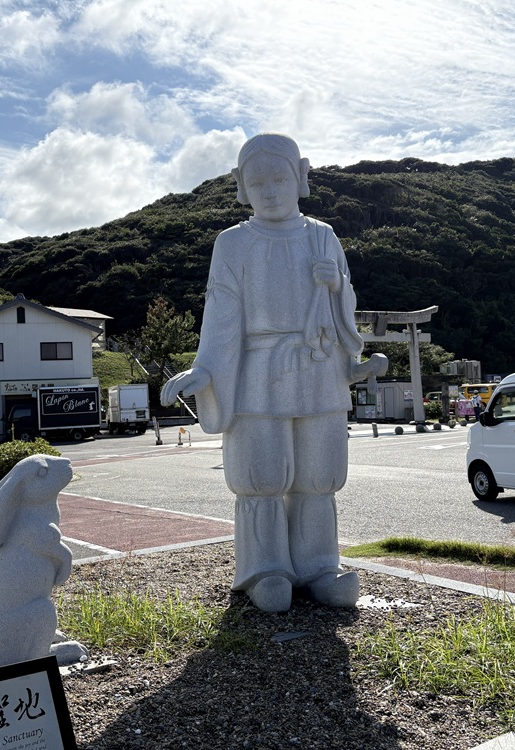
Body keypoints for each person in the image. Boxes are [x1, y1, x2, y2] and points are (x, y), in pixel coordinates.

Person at [160, 133, 387, 613]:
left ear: (300, 178)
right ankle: (265, 569)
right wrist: (205, 371)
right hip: (257, 368)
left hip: (319, 364)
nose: (269, 190)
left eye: (279, 178)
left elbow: (346, 305)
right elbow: (221, 315)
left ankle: (320, 565)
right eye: (257, 181)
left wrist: (336, 286)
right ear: (242, 187)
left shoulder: (322, 234)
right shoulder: (233, 243)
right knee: (261, 474)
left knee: (318, 474)